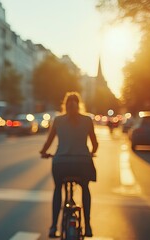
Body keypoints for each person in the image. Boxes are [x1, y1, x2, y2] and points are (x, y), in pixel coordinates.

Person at [40, 92, 98, 238]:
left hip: (61, 164)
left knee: (58, 188)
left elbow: (48, 142)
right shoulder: (87, 120)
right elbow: (95, 144)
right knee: (85, 188)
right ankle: (88, 226)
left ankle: (53, 227)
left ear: (64, 105)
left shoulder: (58, 120)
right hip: (82, 164)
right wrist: (91, 153)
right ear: (80, 105)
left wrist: (43, 152)